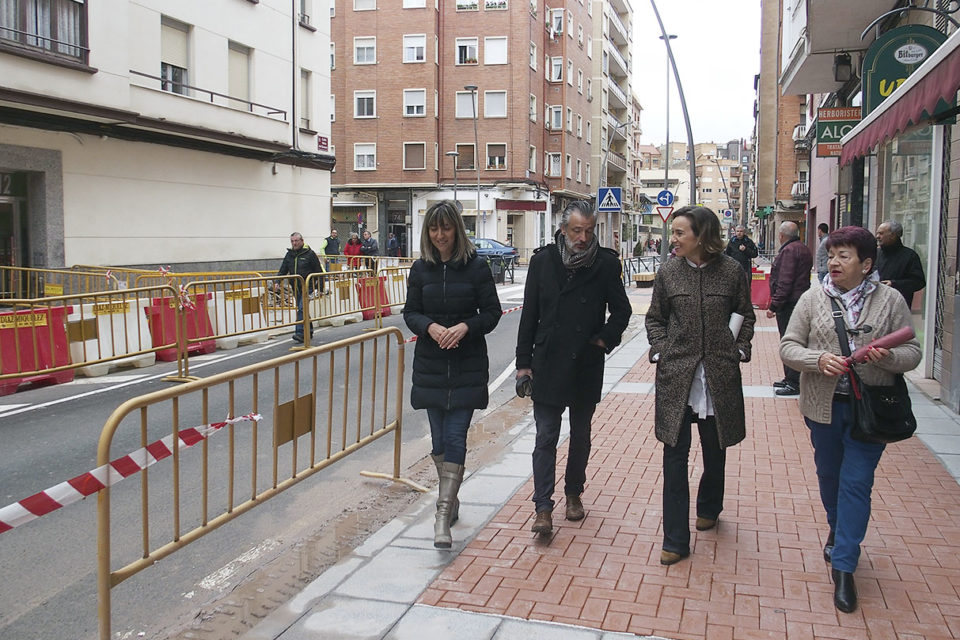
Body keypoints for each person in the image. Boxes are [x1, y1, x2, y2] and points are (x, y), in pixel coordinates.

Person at [780, 226, 920, 613]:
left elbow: (912, 352)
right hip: (823, 408)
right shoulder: (813, 299)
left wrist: (888, 358)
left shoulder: (890, 300)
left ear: (866, 263)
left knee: (856, 483)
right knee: (829, 476)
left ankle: (844, 565)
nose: (834, 262)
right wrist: (817, 360)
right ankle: (838, 529)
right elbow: (789, 346)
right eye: (832, 254)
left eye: (844, 255)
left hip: (870, 411)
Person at [645, 206, 756, 566]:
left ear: (702, 236)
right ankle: (675, 539)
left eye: (679, 233)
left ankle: (710, 505)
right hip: (678, 375)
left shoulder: (732, 272)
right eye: (672, 233)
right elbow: (655, 319)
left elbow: (746, 314)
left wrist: (739, 348)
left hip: (718, 374)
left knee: (715, 447)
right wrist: (662, 349)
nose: (672, 240)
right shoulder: (668, 272)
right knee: (674, 456)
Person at [515, 200, 631, 535]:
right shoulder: (543, 262)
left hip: (585, 361)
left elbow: (621, 311)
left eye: (588, 231)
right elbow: (529, 317)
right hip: (548, 360)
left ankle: (573, 493)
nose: (583, 238)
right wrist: (523, 365)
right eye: (576, 230)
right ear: (563, 229)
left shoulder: (606, 264)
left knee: (580, 434)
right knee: (546, 436)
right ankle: (542, 507)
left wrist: (603, 340)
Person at [403, 200, 502, 548]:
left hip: (467, 365)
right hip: (430, 365)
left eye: (446, 228)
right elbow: (410, 312)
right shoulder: (420, 269)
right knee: (440, 441)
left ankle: (442, 514)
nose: (440, 235)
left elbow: (492, 312)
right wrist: (429, 327)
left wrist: (465, 327)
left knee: (457, 436)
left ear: (456, 229)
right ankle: (453, 496)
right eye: (434, 228)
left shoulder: (476, 267)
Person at [766, 221, 813, 396]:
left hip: (789, 304)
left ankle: (793, 381)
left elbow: (785, 281)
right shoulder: (802, 248)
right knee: (795, 339)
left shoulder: (789, 251)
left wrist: (774, 305)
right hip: (797, 301)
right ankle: (791, 378)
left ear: (781, 235)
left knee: (789, 341)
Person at [275, 232, 323, 343]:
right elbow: (283, 270)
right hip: (296, 287)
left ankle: (300, 333)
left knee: (302, 308)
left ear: (302, 241)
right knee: (303, 309)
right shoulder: (289, 255)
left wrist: (320, 288)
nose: (294, 243)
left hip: (307, 286)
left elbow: (318, 271)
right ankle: (309, 330)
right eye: (292, 241)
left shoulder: (309, 254)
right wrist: (278, 281)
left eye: (296, 241)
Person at [876, 220, 926, 307]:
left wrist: (894, 284)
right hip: (875, 306)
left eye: (881, 233)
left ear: (893, 235)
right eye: (877, 233)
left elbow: (918, 282)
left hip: (899, 308)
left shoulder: (910, 256)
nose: (877, 236)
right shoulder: (875, 253)